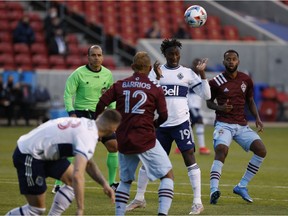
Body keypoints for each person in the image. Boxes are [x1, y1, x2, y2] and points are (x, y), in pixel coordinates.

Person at [126, 39, 211, 215]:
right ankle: (139, 198)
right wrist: (157, 77)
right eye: (171, 54)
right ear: (164, 55)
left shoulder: (187, 73)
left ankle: (197, 202)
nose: (174, 57)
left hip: (181, 123)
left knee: (189, 158)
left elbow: (207, 95)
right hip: (160, 125)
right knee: (148, 160)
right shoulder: (156, 72)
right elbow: (149, 93)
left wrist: (202, 74)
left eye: (177, 53)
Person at [95, 51, 174, 215]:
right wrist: (154, 125)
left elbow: (101, 103)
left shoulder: (120, 84)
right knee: (167, 175)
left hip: (123, 139)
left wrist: (101, 127)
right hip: (146, 139)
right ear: (150, 68)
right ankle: (163, 213)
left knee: (125, 180)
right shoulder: (155, 88)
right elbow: (164, 115)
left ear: (132, 67)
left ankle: (119, 214)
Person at [5, 109, 122, 216]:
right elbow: (78, 175)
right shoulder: (88, 136)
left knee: (71, 181)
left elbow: (88, 163)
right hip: (29, 154)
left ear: (100, 117)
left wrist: (104, 184)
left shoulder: (86, 124)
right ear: (113, 130)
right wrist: (80, 209)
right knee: (36, 209)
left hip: (44, 153)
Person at [54, 44, 119, 193]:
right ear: (88, 57)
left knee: (114, 145)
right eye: (93, 55)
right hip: (81, 114)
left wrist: (113, 113)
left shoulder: (107, 74)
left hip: (100, 115)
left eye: (99, 55)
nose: (96, 58)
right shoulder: (78, 73)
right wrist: (71, 113)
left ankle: (112, 183)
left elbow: (111, 96)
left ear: (102, 57)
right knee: (72, 149)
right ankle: (59, 183)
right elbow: (68, 94)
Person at [206, 49, 267, 205]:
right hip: (223, 124)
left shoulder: (246, 79)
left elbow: (251, 100)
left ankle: (242, 186)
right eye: (228, 59)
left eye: (234, 59)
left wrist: (258, 118)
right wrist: (220, 108)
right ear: (224, 62)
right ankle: (214, 190)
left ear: (238, 61)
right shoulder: (216, 81)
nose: (231, 61)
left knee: (261, 150)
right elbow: (209, 102)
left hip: (241, 125)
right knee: (221, 150)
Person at [175, 58, 211, 155]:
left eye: (199, 63)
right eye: (195, 63)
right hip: (191, 104)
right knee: (199, 121)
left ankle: (182, 147)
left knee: (190, 125)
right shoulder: (189, 75)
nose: (197, 65)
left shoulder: (198, 75)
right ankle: (201, 148)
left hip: (196, 105)